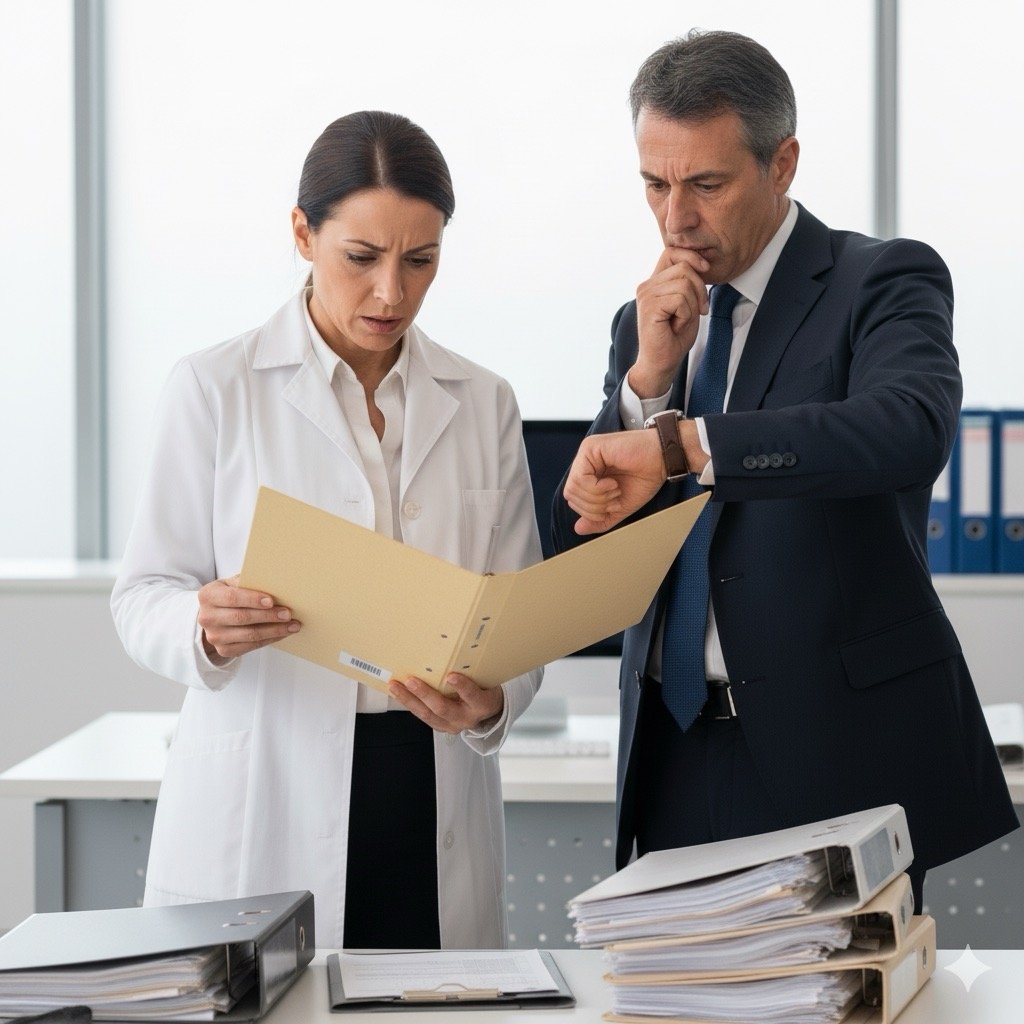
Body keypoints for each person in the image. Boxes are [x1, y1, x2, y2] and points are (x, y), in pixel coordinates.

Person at [553, 30, 1017, 912]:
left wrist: (687, 444)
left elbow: (906, 430)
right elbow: (588, 539)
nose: (675, 220)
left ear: (783, 163)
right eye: (654, 184)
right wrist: (646, 384)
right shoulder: (643, 324)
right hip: (674, 748)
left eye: (706, 185)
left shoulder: (881, 280)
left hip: (835, 756)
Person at [111, 111, 542, 949]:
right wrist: (204, 624)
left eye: (421, 261)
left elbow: (516, 614)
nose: (393, 293)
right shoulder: (214, 387)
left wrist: (494, 699)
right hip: (267, 793)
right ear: (303, 234)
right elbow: (141, 596)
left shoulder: (483, 400)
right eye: (362, 258)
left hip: (429, 786)